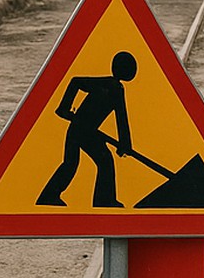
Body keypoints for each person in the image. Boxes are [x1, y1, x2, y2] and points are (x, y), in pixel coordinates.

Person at [36, 51, 136, 208]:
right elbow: (76, 81)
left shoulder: (114, 86)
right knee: (89, 162)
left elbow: (121, 117)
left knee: (81, 163)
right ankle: (102, 200)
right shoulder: (112, 86)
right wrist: (63, 108)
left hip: (84, 131)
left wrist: (125, 144)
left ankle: (51, 196)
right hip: (81, 130)